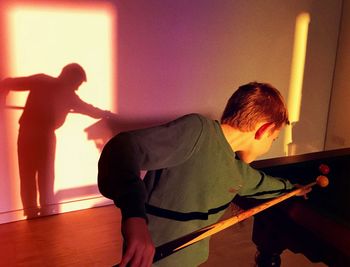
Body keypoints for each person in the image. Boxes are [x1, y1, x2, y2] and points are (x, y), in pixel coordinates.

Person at [98, 82, 308, 267]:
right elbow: (122, 149)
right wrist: (135, 218)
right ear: (264, 129)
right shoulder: (197, 131)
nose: (270, 145)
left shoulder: (237, 171)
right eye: (274, 138)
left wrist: (293, 189)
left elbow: (263, 184)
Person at [0, 63, 114, 218]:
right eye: (77, 83)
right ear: (69, 77)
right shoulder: (67, 93)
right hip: (41, 135)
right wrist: (106, 114)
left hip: (30, 134)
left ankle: (33, 211)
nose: (77, 88)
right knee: (44, 175)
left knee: (29, 174)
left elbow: (9, 83)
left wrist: (3, 95)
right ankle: (44, 210)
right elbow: (89, 110)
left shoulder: (43, 82)